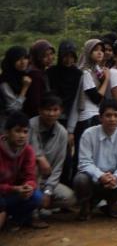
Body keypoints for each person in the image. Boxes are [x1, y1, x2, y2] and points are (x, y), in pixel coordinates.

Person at [74, 99, 117, 220]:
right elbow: (84, 163)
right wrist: (100, 176)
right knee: (80, 179)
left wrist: (116, 177)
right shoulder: (88, 134)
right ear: (100, 117)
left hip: (113, 180)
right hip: (93, 179)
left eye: (116, 115)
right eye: (108, 115)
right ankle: (86, 204)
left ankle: (111, 202)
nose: (112, 119)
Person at [28, 94, 75, 224]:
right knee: (35, 166)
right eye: (47, 109)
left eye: (55, 110)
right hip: (29, 177)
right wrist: (40, 157)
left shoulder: (62, 133)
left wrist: (48, 191)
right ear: (40, 110)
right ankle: (32, 214)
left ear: (60, 111)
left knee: (70, 198)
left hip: (46, 180)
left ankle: (41, 205)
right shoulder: (31, 125)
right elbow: (30, 152)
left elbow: (58, 166)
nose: (51, 113)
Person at [0, 111, 43, 231]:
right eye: (17, 131)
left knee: (36, 196)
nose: (22, 135)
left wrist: (28, 187)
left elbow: (31, 177)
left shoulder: (28, 150)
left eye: (25, 132)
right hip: (4, 193)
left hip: (13, 194)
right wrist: (13, 189)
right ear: (7, 132)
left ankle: (16, 219)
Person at [0, 47, 31, 128]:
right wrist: (25, 88)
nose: (23, 62)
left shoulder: (22, 75)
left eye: (25, 58)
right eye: (18, 59)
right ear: (11, 61)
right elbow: (13, 109)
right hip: (7, 127)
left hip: (21, 124)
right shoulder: (5, 82)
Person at [24, 40, 54, 118]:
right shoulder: (35, 74)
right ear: (37, 57)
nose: (50, 58)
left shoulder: (40, 70)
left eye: (51, 54)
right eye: (45, 56)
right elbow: (35, 103)